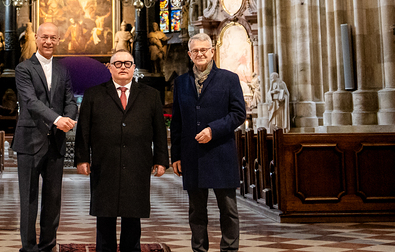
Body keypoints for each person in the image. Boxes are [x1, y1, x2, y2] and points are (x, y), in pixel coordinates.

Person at [75, 51, 168, 252]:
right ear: (109, 68)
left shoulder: (151, 95)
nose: (123, 67)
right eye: (117, 64)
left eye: (127, 63)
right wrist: (82, 158)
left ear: (134, 67)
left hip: (137, 163)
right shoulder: (94, 94)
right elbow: (83, 129)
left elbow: (159, 131)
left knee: (133, 216)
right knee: (104, 215)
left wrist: (161, 160)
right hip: (104, 163)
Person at [171, 33, 246, 252]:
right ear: (189, 54)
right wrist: (176, 155)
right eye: (195, 50)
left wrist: (214, 130)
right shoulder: (181, 82)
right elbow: (177, 122)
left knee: (228, 209)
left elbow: (238, 114)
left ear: (212, 51)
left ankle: (229, 249)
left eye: (204, 50)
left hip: (221, 151)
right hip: (192, 154)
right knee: (196, 211)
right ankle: (199, 249)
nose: (200, 54)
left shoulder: (229, 79)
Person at [14, 22, 78, 252]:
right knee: (28, 199)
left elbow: (70, 101)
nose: (49, 42)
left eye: (53, 38)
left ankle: (48, 246)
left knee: (52, 199)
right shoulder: (24, 68)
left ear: (58, 40)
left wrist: (69, 118)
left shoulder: (62, 70)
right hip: (30, 140)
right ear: (37, 39)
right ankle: (29, 248)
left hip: (55, 142)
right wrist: (57, 119)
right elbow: (31, 102)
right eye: (44, 37)